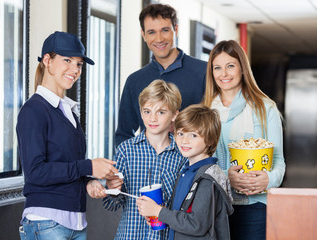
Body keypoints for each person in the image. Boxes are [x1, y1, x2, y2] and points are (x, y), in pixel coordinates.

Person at [16, 31, 119, 240]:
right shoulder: (34, 110)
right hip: (46, 222)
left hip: (77, 223)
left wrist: (88, 181)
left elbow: (66, 164)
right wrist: (88, 166)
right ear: (47, 60)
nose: (75, 69)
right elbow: (36, 172)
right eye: (67, 60)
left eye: (79, 64)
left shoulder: (69, 110)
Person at [201, 40, 286, 240]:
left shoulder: (266, 109)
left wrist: (269, 179)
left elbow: (279, 161)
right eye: (217, 68)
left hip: (254, 207)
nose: (224, 74)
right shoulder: (204, 112)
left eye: (230, 66)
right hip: (214, 206)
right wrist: (225, 176)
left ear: (242, 69)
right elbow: (197, 164)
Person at [102, 80, 187, 239]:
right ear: (140, 112)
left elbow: (185, 206)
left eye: (161, 112)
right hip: (130, 235)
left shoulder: (182, 154)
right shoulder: (126, 150)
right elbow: (112, 204)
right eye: (147, 111)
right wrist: (113, 190)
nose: (152, 118)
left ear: (175, 114)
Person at [137, 104, 234, 240]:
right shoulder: (186, 171)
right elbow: (182, 213)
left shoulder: (207, 179)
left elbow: (196, 225)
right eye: (180, 133)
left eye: (193, 135)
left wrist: (159, 212)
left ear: (210, 140)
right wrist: (160, 215)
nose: (184, 140)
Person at [115, 3, 207, 146]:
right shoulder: (135, 81)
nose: (159, 39)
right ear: (143, 35)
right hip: (148, 165)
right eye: (151, 32)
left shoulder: (204, 72)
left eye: (165, 30)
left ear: (175, 30)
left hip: (194, 165)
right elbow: (124, 133)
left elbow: (216, 124)